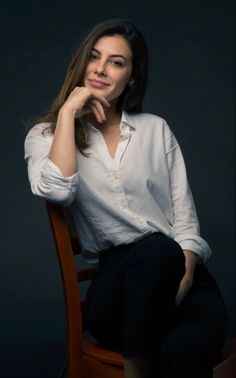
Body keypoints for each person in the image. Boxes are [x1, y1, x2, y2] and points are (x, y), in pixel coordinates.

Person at [24, 18, 228, 378]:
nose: (101, 69)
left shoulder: (155, 129)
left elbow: (185, 219)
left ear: (132, 76)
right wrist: (70, 112)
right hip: (116, 292)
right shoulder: (47, 135)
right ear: (82, 62)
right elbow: (57, 189)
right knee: (156, 248)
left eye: (116, 62)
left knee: (184, 353)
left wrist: (182, 279)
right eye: (94, 57)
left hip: (178, 273)